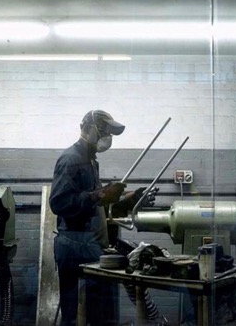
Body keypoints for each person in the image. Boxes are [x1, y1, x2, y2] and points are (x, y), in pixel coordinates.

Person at [49, 110, 147, 326]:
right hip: (75, 243)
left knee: (98, 313)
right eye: (104, 130)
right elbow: (58, 203)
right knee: (75, 315)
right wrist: (100, 194)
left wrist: (128, 200)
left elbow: (95, 204)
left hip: (89, 242)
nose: (108, 137)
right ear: (87, 128)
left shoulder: (90, 160)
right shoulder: (71, 159)